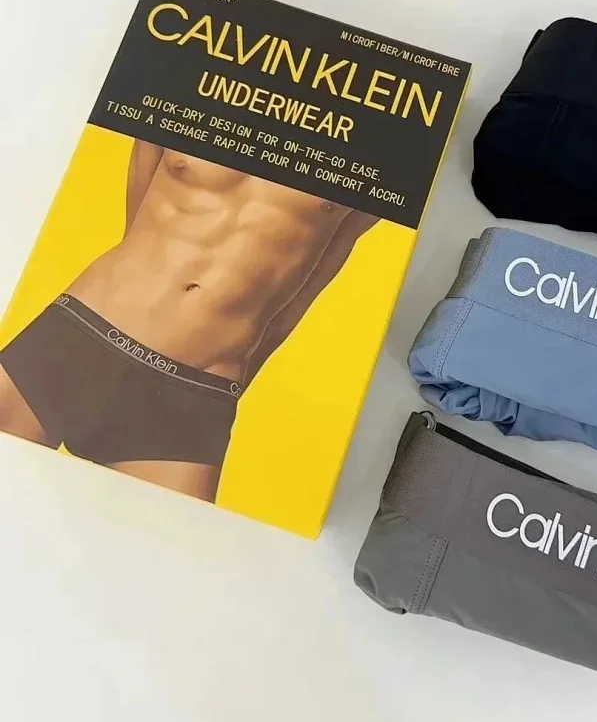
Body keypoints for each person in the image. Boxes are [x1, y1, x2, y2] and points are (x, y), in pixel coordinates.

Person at [0, 141, 377, 501]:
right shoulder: (198, 94)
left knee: (163, 543)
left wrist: (226, 387)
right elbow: (135, 226)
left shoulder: (383, 142)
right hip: (83, 333)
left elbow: (303, 294)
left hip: (193, 389)